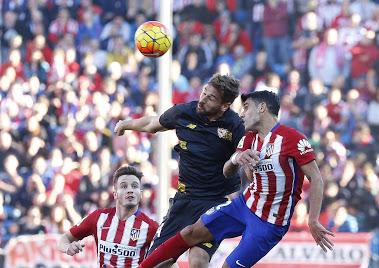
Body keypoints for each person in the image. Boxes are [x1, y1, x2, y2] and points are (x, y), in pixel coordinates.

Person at [139, 90, 334, 268]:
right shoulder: (249, 138)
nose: (241, 114)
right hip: (243, 205)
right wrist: (236, 158)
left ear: (262, 108)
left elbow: (316, 178)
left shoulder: (293, 138)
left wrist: (313, 220)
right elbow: (227, 171)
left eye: (246, 108)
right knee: (190, 232)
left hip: (269, 223)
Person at [114, 74, 245, 267]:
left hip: (215, 202)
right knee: (155, 262)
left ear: (225, 105)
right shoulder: (185, 112)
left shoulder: (235, 125)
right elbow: (152, 124)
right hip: (185, 200)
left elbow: (248, 151)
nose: (203, 99)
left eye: (211, 98)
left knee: (198, 261)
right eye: (204, 93)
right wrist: (126, 124)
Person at [57, 165, 159, 267]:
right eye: (124, 186)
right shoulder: (98, 217)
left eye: (135, 186)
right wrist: (67, 248)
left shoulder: (151, 227)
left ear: (140, 194)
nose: (130, 190)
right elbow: (63, 240)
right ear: (115, 194)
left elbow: (168, 261)